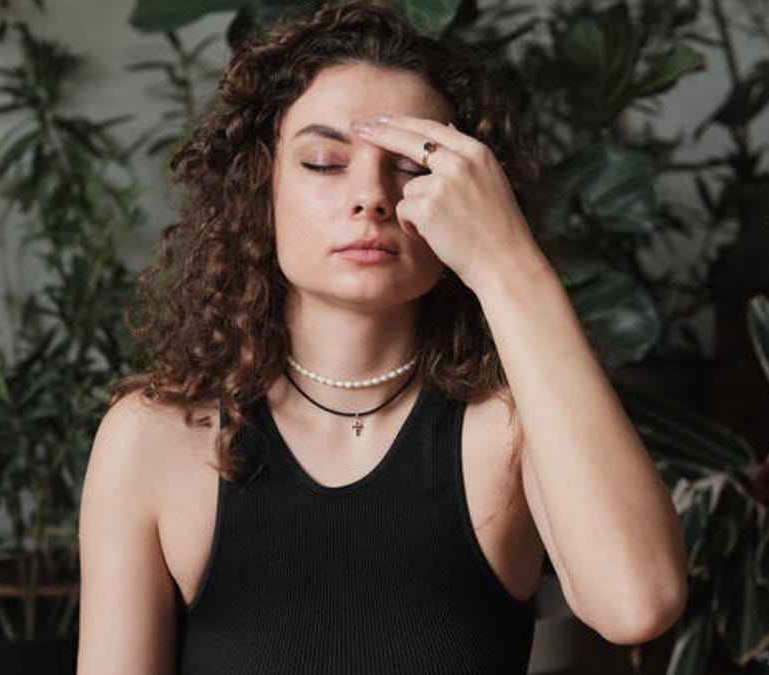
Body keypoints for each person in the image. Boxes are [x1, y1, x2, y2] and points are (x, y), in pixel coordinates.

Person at [76, 2, 686, 673]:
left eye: (411, 166)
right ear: (260, 188)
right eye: (323, 161)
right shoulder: (154, 439)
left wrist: (509, 262)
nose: (371, 195)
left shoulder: (507, 429)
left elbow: (639, 602)